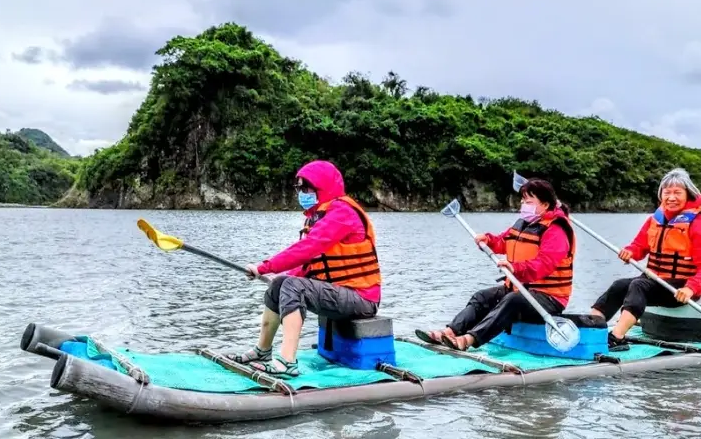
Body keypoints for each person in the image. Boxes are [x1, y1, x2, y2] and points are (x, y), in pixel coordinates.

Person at [231, 160, 381, 377]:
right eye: (299, 188)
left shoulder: (342, 212)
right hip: (338, 293)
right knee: (280, 283)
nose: (301, 193)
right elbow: (308, 265)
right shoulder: (318, 216)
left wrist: (264, 267)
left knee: (293, 286)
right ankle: (262, 351)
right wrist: (275, 277)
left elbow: (307, 248)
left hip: (361, 298)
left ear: (323, 187)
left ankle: (287, 362)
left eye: (306, 188)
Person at [417, 179, 576, 351]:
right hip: (520, 289)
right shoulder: (524, 223)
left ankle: (468, 340)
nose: (523, 205)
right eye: (522, 201)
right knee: (482, 297)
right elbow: (503, 241)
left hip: (550, 299)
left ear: (545, 204)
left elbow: (545, 264)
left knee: (513, 300)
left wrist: (515, 268)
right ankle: (449, 332)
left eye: (529, 202)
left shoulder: (557, 230)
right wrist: (488, 240)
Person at [589, 167, 701, 347]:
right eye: (667, 192)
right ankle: (591, 327)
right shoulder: (655, 219)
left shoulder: (699, 223)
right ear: (661, 195)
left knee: (639, 284)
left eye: (677, 193)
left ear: (688, 194)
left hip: (680, 288)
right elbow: (639, 245)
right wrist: (630, 252)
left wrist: (691, 288)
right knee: (619, 286)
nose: (671, 197)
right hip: (655, 281)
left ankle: (616, 338)